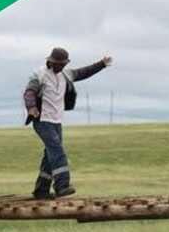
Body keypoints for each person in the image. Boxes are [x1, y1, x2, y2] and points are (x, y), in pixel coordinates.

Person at [23, 47, 113, 198]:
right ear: (50, 62)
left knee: (50, 154)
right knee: (57, 151)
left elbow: (83, 72)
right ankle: (62, 185)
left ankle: (41, 191)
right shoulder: (40, 74)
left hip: (57, 121)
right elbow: (29, 92)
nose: (60, 66)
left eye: (63, 64)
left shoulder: (66, 74)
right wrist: (31, 107)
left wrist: (102, 64)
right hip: (42, 120)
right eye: (57, 63)